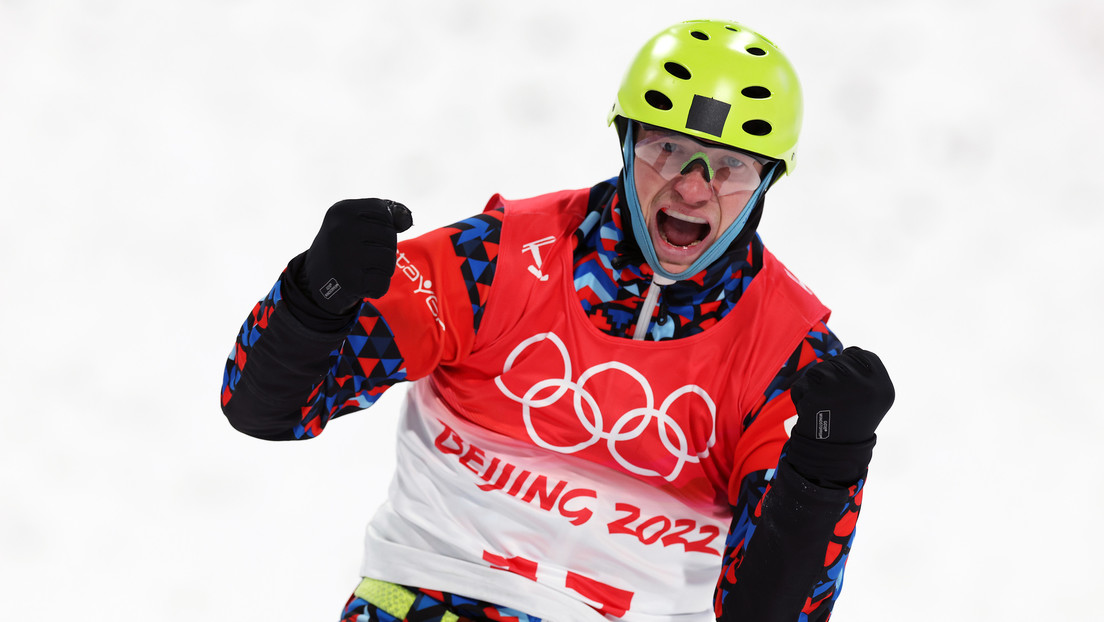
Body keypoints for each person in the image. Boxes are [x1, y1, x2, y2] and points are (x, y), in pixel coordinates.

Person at [220, 18, 895, 622]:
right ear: (625, 142)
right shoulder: (497, 261)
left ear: (768, 183)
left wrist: (825, 466)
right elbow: (266, 409)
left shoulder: (788, 358)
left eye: (729, 168)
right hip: (427, 601)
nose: (691, 187)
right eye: (665, 149)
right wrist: (317, 295)